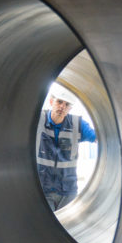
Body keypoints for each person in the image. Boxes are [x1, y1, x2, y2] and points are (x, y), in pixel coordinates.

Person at [37, 83, 97, 211]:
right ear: (51, 101)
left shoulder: (78, 124)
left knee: (66, 227)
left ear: (70, 108)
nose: (62, 107)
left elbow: (101, 138)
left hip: (68, 191)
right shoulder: (38, 120)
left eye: (67, 104)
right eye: (59, 102)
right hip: (43, 189)